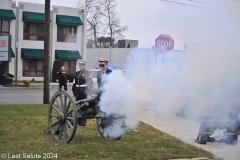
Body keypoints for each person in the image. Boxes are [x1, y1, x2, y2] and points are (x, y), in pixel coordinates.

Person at [72, 61, 92, 126]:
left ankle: (83, 122)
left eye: (82, 65)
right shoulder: (76, 73)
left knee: (83, 107)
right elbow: (74, 83)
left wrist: (89, 91)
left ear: (85, 66)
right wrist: (74, 91)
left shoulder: (87, 73)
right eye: (80, 65)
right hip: (77, 92)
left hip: (84, 92)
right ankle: (78, 121)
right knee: (77, 108)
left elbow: (90, 83)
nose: (81, 66)